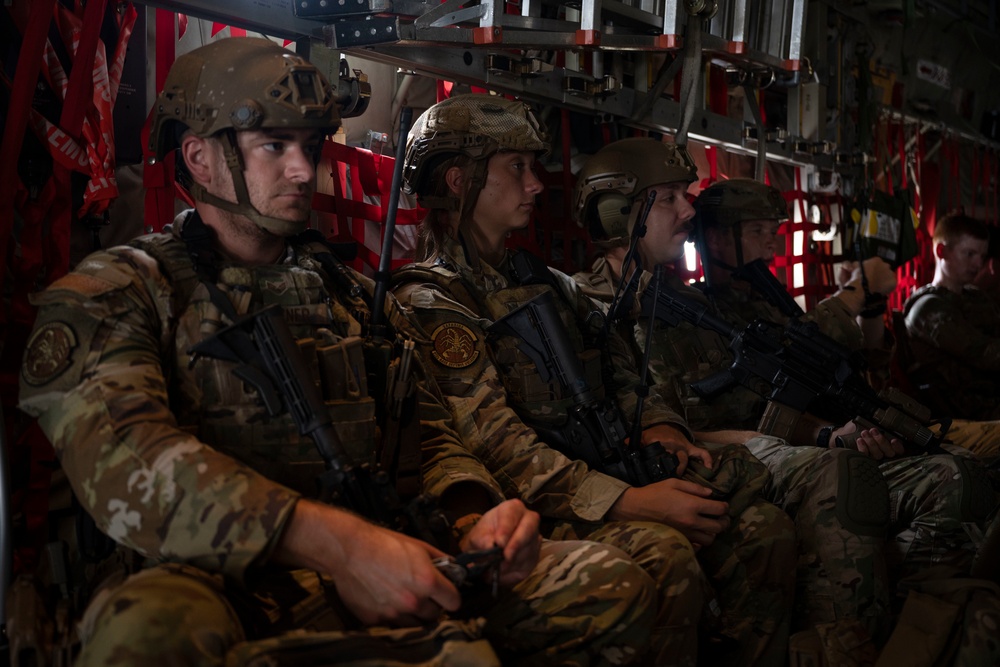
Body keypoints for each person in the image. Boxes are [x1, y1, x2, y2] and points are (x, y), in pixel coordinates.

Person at [15, 38, 661, 667]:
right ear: (198, 157)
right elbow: (132, 461)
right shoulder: (118, 293)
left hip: (374, 553)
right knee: (152, 631)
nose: (304, 169)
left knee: (611, 586)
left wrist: (474, 516)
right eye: (274, 145)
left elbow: (428, 432)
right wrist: (341, 545)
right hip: (210, 581)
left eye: (310, 146)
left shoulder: (350, 295)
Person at [391, 93, 797, 667]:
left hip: (599, 471)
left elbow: (621, 363)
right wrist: (625, 502)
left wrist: (660, 424)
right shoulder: (432, 300)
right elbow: (495, 442)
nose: (536, 185)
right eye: (518, 168)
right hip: (531, 505)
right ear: (460, 180)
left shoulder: (545, 283)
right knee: (668, 554)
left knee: (763, 528)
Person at [622, 175, 997, 664]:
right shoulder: (696, 309)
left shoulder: (760, 297)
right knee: (929, 474)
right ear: (717, 238)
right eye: (759, 231)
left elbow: (848, 365)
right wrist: (852, 300)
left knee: (959, 470)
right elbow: (722, 407)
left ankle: (924, 627)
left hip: (818, 434)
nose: (772, 242)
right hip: (769, 453)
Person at [570, 138, 893, 650]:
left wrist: (819, 432)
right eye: (671, 197)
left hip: (722, 446)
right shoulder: (583, 306)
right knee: (830, 480)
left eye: (687, 194)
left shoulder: (688, 303)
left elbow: (736, 398)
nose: (688, 209)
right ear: (616, 214)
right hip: (659, 466)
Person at [903, 212, 1000, 421]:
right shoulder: (927, 308)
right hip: (962, 415)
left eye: (981, 256)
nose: (977, 264)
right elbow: (986, 354)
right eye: (969, 254)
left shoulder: (976, 297)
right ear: (941, 251)